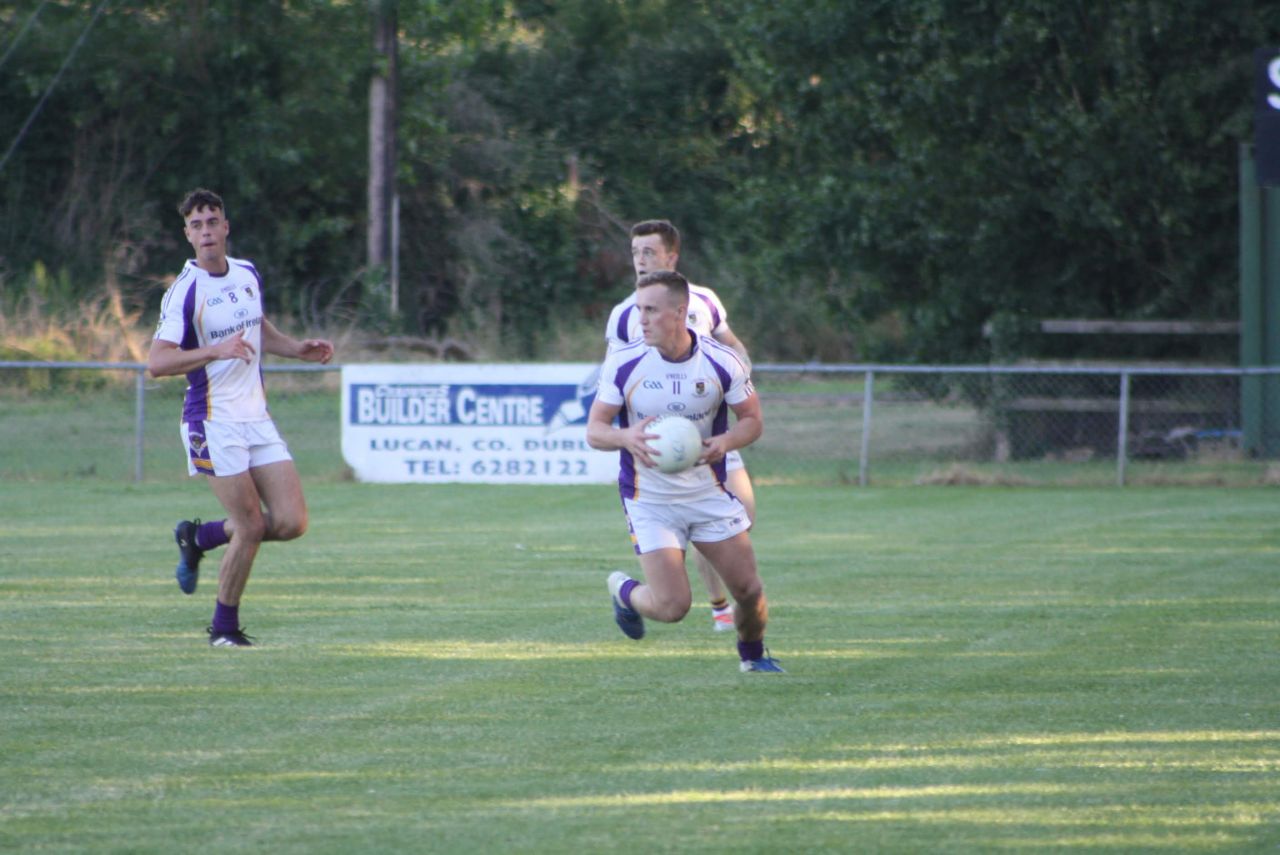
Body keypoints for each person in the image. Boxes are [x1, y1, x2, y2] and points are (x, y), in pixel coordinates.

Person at [148, 188, 334, 647]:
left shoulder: (247, 273)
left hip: (256, 418)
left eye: (213, 221)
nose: (206, 231)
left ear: (226, 227)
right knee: (251, 526)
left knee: (292, 522)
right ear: (188, 235)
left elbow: (256, 325)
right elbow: (157, 362)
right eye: (197, 225)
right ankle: (223, 630)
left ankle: (201, 536)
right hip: (212, 422)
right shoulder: (184, 291)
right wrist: (214, 349)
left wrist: (296, 349)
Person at [588, 270, 782, 673]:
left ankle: (753, 658)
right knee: (673, 607)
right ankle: (623, 591)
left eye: (651, 311)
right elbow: (595, 431)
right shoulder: (624, 364)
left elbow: (752, 420)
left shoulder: (720, 361)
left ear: (680, 312)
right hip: (650, 500)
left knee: (749, 591)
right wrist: (626, 438)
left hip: (707, 493)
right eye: (639, 310)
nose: (641, 320)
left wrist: (725, 443)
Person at [603, 219, 757, 633]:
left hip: (710, 432)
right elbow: (616, 383)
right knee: (674, 591)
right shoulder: (623, 317)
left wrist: (742, 375)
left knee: (743, 519)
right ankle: (718, 604)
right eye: (635, 253)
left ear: (672, 256)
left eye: (649, 252)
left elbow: (731, 346)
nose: (640, 260)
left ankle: (726, 603)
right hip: (660, 449)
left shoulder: (704, 301)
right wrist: (626, 435)